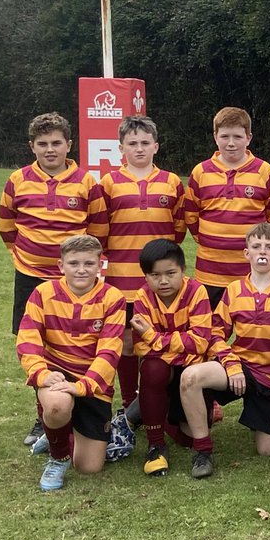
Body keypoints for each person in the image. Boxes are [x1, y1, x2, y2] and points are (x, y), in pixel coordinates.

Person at [0, 112, 107, 447]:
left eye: (56, 142)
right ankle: (42, 414)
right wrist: (25, 258)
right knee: (36, 344)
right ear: (32, 146)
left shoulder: (86, 182)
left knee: (73, 341)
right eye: (42, 143)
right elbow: (6, 227)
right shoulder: (17, 180)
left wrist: (78, 266)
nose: (50, 149)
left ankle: (76, 404)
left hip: (74, 280)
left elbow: (98, 230)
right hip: (31, 276)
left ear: (69, 145)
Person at [176, 223, 270, 477]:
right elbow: (215, 333)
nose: (262, 252)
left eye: (269, 247)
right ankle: (203, 451)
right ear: (246, 253)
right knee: (190, 377)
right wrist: (231, 365)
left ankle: (256, 413)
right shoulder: (234, 289)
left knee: (266, 451)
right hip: (239, 368)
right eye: (256, 246)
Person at [98, 115, 186, 456]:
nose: (139, 148)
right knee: (126, 346)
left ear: (155, 146)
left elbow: (178, 231)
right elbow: (99, 231)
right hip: (121, 281)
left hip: (161, 285)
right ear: (121, 148)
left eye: (144, 143)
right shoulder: (108, 183)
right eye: (132, 143)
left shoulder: (171, 182)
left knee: (160, 345)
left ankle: (161, 407)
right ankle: (129, 408)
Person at [16, 235, 125, 491]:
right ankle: (58, 456)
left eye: (89, 263)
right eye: (74, 263)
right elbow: (28, 339)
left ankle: (57, 432)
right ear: (61, 266)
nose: (81, 269)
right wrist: (41, 373)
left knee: (89, 467)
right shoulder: (43, 293)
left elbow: (110, 351)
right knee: (57, 405)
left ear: (100, 265)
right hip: (57, 373)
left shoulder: (112, 297)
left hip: (92, 382)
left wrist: (84, 386)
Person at [184, 106, 270, 307]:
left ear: (248, 138)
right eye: (225, 136)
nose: (231, 143)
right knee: (208, 323)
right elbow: (191, 217)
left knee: (250, 323)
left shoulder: (264, 171)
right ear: (215, 137)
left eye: (237, 137)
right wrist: (212, 240)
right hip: (210, 271)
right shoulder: (200, 172)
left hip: (251, 271)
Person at [131, 239, 214, 477]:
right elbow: (141, 348)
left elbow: (200, 341)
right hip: (167, 367)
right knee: (152, 369)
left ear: (183, 270)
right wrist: (179, 348)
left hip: (192, 371)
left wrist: (153, 336)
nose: (163, 281)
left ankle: (147, 410)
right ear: (146, 276)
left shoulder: (197, 291)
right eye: (155, 275)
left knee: (187, 439)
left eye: (170, 273)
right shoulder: (142, 297)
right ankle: (156, 445)